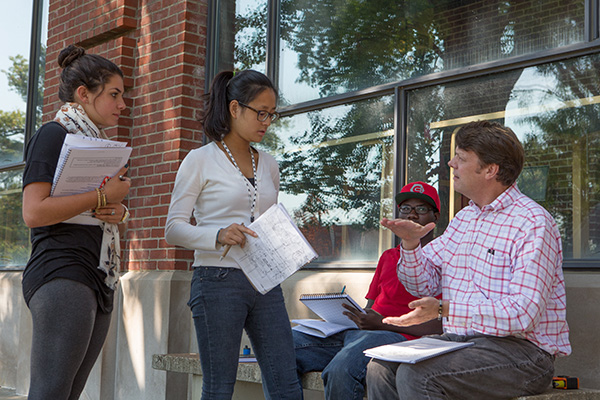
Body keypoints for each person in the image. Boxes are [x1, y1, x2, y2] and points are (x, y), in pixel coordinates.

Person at [367, 120, 570, 400]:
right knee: (379, 368)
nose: (451, 164)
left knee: (417, 375)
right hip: (461, 343)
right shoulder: (465, 219)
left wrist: (444, 309)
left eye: (461, 158)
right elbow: (422, 284)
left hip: (523, 354)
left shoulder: (533, 223)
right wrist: (411, 243)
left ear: (490, 170)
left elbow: (523, 314)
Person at [165, 70, 302, 400]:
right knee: (219, 389)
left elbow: (266, 221)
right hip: (217, 281)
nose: (267, 121)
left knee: (286, 386)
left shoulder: (268, 164)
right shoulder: (199, 160)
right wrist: (217, 234)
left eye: (272, 114)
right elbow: (173, 228)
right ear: (235, 108)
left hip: (264, 282)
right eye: (261, 112)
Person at [21, 45, 131, 399]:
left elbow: (91, 212)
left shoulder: (97, 144)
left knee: (68, 393)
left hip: (98, 274)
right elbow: (33, 212)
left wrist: (118, 212)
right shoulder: (53, 135)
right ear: (84, 94)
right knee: (50, 392)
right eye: (114, 94)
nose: (122, 104)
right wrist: (103, 197)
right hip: (62, 271)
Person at [293, 181, 444, 400]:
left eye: (421, 209)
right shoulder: (388, 257)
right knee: (285, 345)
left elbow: (443, 325)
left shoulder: (444, 258)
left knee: (340, 369)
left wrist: (380, 323)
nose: (412, 215)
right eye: (405, 209)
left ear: (435, 217)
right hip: (360, 335)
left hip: (398, 337)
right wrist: (355, 317)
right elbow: (371, 309)